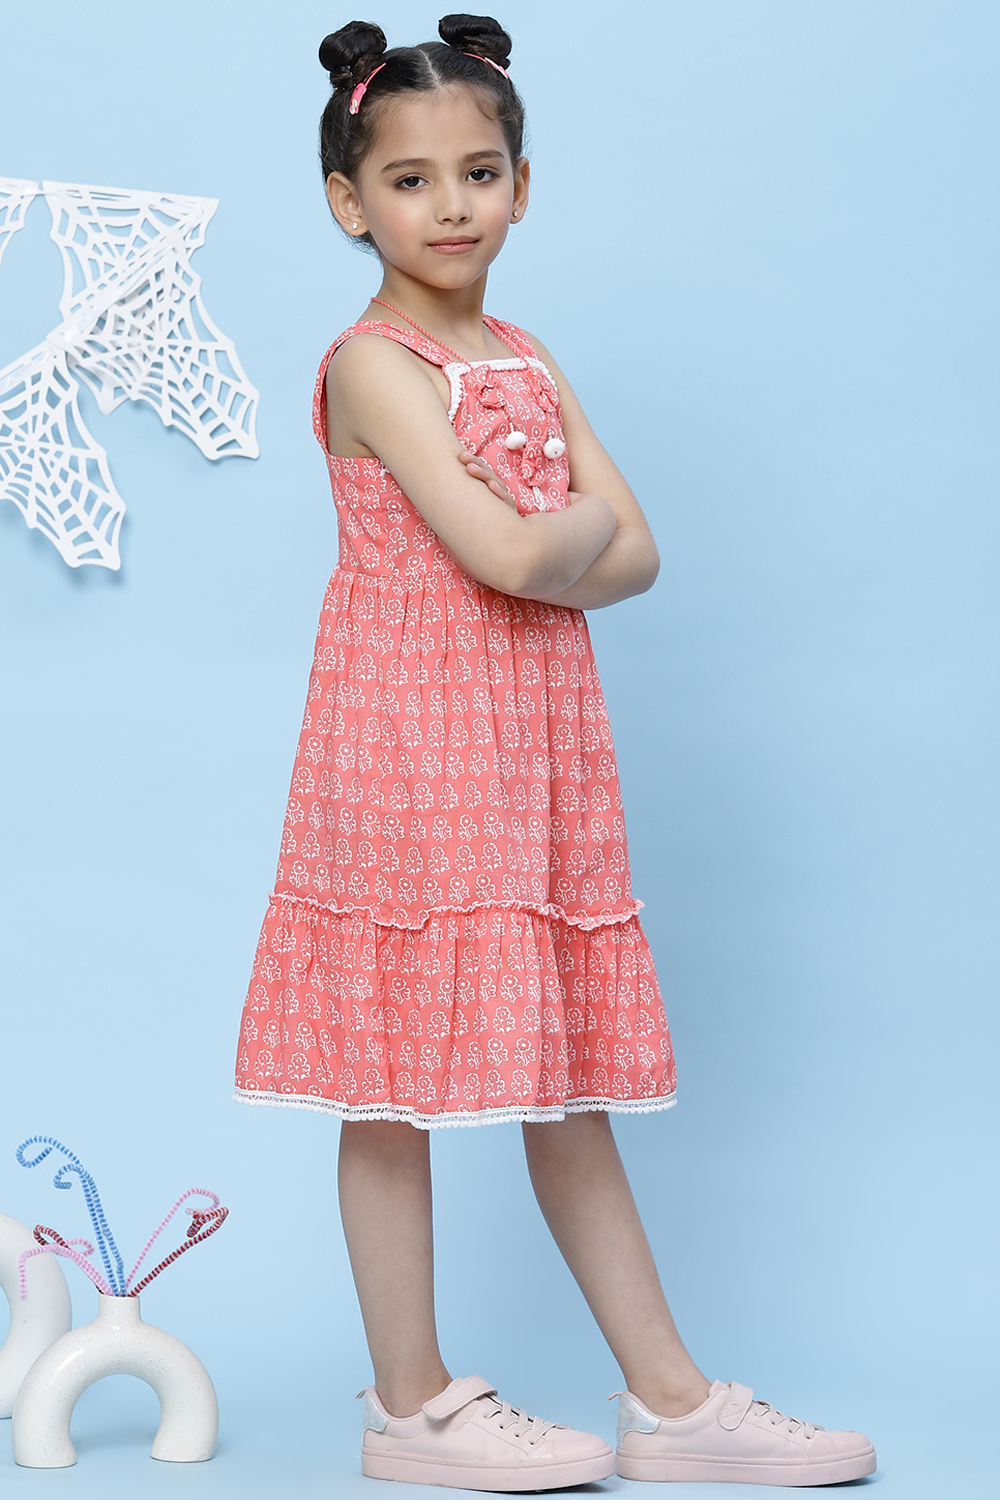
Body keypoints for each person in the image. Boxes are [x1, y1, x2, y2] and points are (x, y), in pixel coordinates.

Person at [234, 14, 876, 1490]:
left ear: (523, 184)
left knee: (563, 1068)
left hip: (532, 746)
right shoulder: (373, 364)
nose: (450, 206)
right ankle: (410, 1405)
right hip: (410, 744)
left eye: (480, 172)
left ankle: (672, 1402)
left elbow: (638, 557)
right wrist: (564, 530)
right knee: (389, 1073)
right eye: (409, 180)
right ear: (348, 201)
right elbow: (525, 555)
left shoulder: (524, 355)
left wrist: (557, 536)